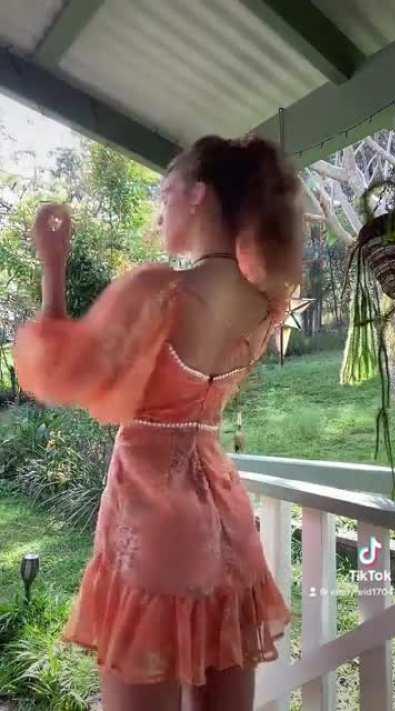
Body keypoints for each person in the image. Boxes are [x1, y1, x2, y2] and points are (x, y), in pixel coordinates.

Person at [14, 134, 303, 711]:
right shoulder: (266, 303)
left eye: (166, 191)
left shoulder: (160, 291)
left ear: (198, 195)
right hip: (225, 523)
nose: (160, 207)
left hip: (152, 527)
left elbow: (61, 374)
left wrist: (53, 266)